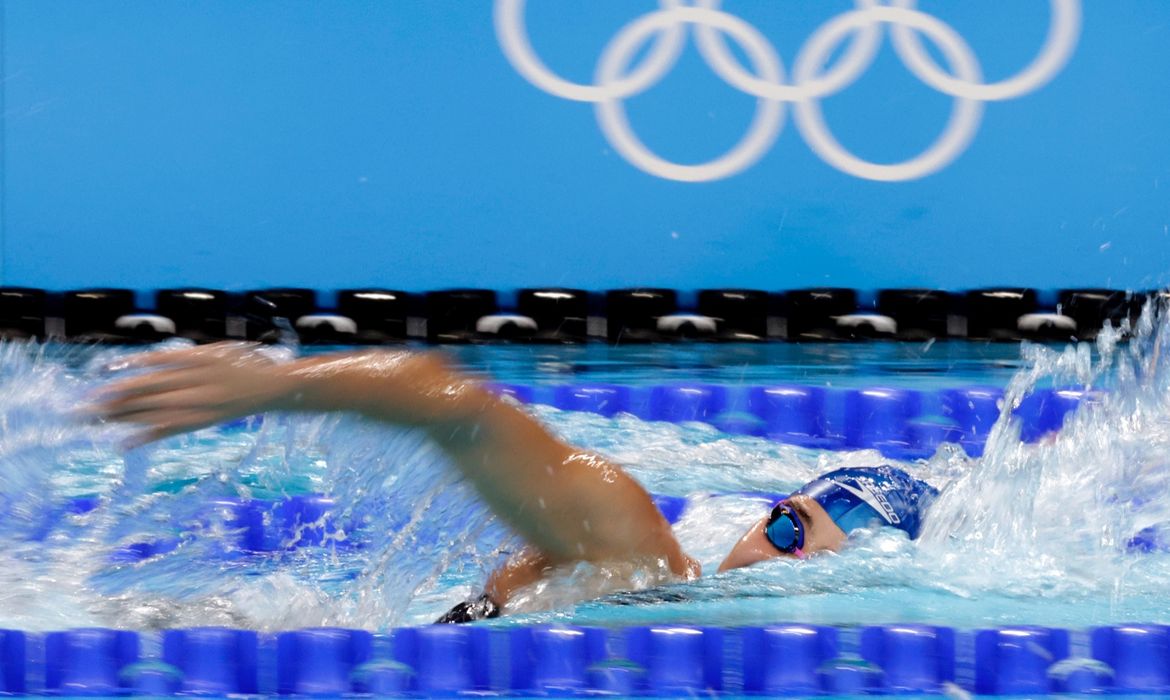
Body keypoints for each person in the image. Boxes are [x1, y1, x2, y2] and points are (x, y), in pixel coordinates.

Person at [94, 343, 938, 621]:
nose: (780, 558)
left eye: (808, 551)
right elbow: (447, 400)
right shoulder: (640, 557)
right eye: (785, 527)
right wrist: (276, 384)